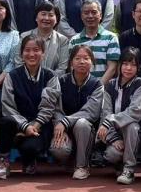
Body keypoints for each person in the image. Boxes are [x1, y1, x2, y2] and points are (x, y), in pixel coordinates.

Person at [0, 35, 60, 178]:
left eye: (36, 50)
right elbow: (8, 106)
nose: (31, 54)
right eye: (27, 50)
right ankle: (4, 161)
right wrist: (25, 127)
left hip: (40, 126)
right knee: (4, 122)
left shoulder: (51, 76)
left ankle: (29, 160)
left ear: (43, 54)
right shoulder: (12, 76)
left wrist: (34, 126)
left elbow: (48, 107)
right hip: (17, 123)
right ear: (21, 54)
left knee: (31, 148)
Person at [42, 44, 105, 180]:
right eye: (77, 58)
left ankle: (82, 166)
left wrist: (66, 121)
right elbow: (56, 108)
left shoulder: (97, 84)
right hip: (63, 128)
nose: (82, 62)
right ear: (71, 62)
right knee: (59, 150)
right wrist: (60, 124)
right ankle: (69, 160)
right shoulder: (61, 81)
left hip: (86, 131)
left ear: (92, 62)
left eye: (86, 58)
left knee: (82, 123)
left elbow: (91, 112)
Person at [99, 47, 141, 185]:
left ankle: (129, 169)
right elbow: (106, 112)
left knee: (131, 124)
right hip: (115, 133)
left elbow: (136, 111)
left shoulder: (140, 83)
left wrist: (111, 120)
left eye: (133, 65)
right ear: (120, 65)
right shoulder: (110, 85)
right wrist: (113, 138)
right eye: (125, 64)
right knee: (112, 154)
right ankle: (119, 165)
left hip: (136, 134)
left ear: (139, 67)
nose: (128, 68)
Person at [67, 0, 120, 83]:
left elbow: (112, 68)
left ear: (100, 15)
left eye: (94, 12)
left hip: (104, 88)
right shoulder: (74, 40)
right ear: (81, 16)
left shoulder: (111, 38)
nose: (90, 16)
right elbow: (72, 67)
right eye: (86, 13)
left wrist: (98, 87)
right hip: (80, 87)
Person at [15, 1, 70, 76]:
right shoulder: (24, 36)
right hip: (25, 80)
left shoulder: (63, 40)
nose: (46, 18)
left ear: (56, 19)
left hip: (53, 81)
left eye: (51, 15)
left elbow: (62, 68)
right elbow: (18, 62)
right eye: (43, 14)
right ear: (36, 17)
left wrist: (46, 79)